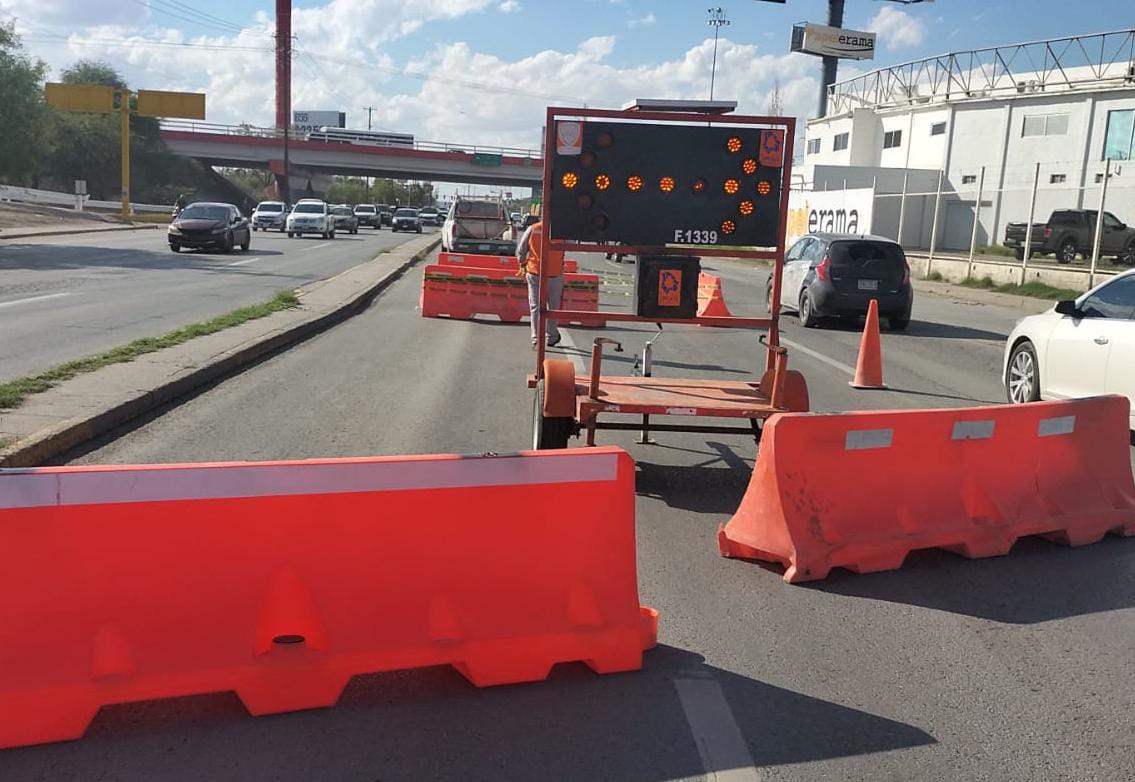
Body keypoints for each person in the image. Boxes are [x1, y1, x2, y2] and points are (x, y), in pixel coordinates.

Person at [516, 218, 564, 349]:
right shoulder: (561, 230)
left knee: (535, 306)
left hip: (535, 272)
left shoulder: (533, 228)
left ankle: (536, 338)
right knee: (553, 307)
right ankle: (552, 336)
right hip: (555, 274)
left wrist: (522, 264)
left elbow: (521, 250)